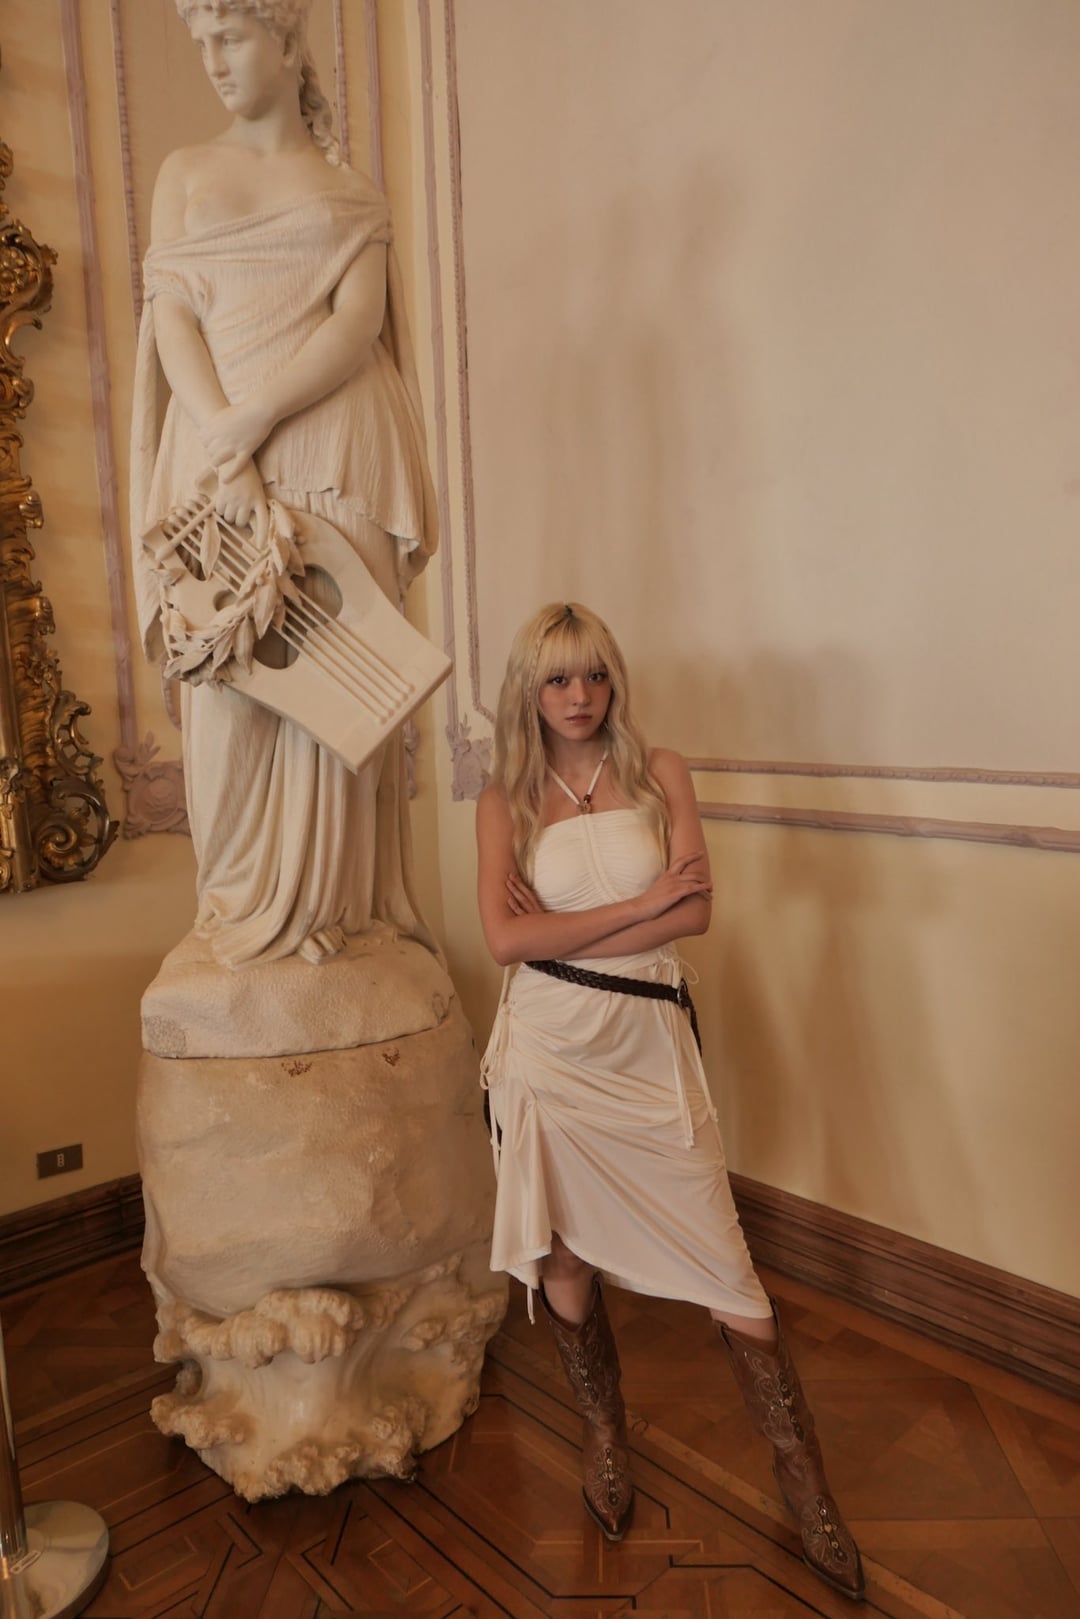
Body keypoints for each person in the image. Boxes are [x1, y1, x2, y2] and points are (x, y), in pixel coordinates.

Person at [476, 602, 864, 1601]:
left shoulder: (662, 773)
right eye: (558, 677)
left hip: (647, 1047)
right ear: (530, 690)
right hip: (548, 1052)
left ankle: (807, 1485)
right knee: (564, 1251)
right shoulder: (504, 800)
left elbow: (696, 913)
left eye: (594, 674)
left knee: (732, 1271)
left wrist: (583, 924)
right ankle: (605, 1436)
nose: (579, 695)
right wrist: (644, 904)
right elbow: (507, 943)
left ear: (614, 680)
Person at [130, 0, 437, 968]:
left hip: (333, 448)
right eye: (201, 43)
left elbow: (357, 325)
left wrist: (256, 418)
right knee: (228, 686)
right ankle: (236, 909)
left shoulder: (352, 195)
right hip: (215, 453)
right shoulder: (185, 173)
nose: (213, 63)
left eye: (229, 38)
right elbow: (172, 315)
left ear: (286, 40)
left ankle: (335, 917)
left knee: (337, 683)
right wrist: (228, 441)